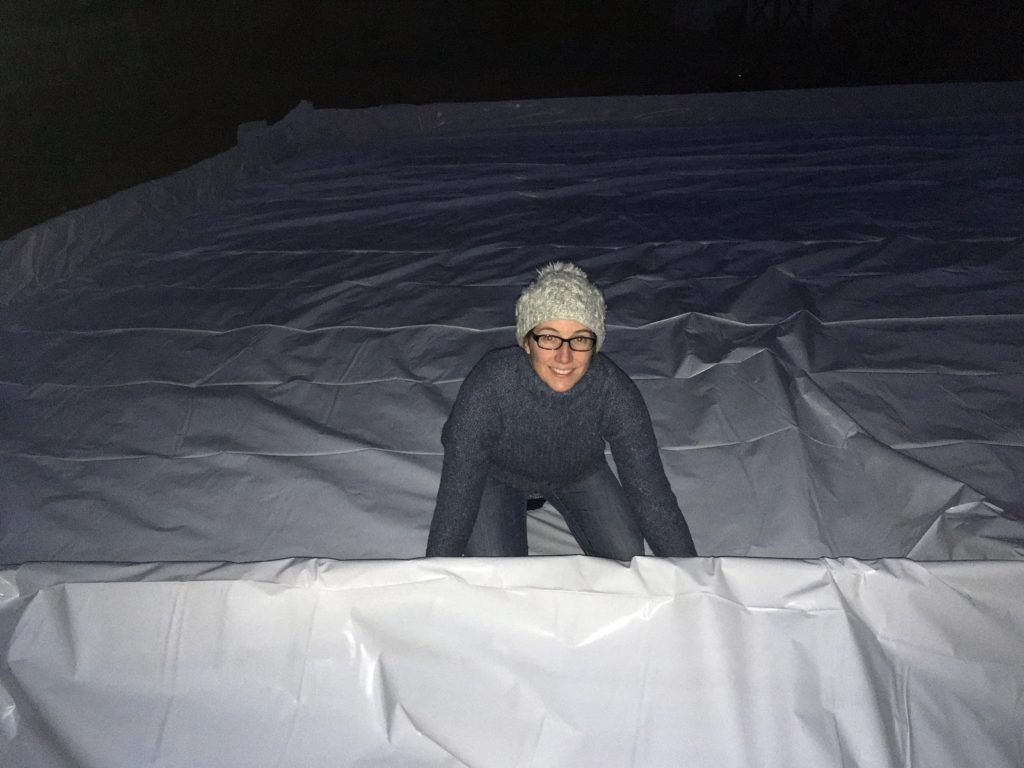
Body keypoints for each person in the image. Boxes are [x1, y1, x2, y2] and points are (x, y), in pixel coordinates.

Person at [425, 261, 697, 559]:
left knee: (626, 554)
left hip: (577, 472)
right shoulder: (491, 384)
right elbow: (458, 492)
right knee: (501, 573)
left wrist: (688, 575)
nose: (564, 357)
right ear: (527, 342)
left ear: (595, 344)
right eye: (550, 337)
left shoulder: (612, 390)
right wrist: (438, 572)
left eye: (580, 338)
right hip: (497, 474)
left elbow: (650, 490)